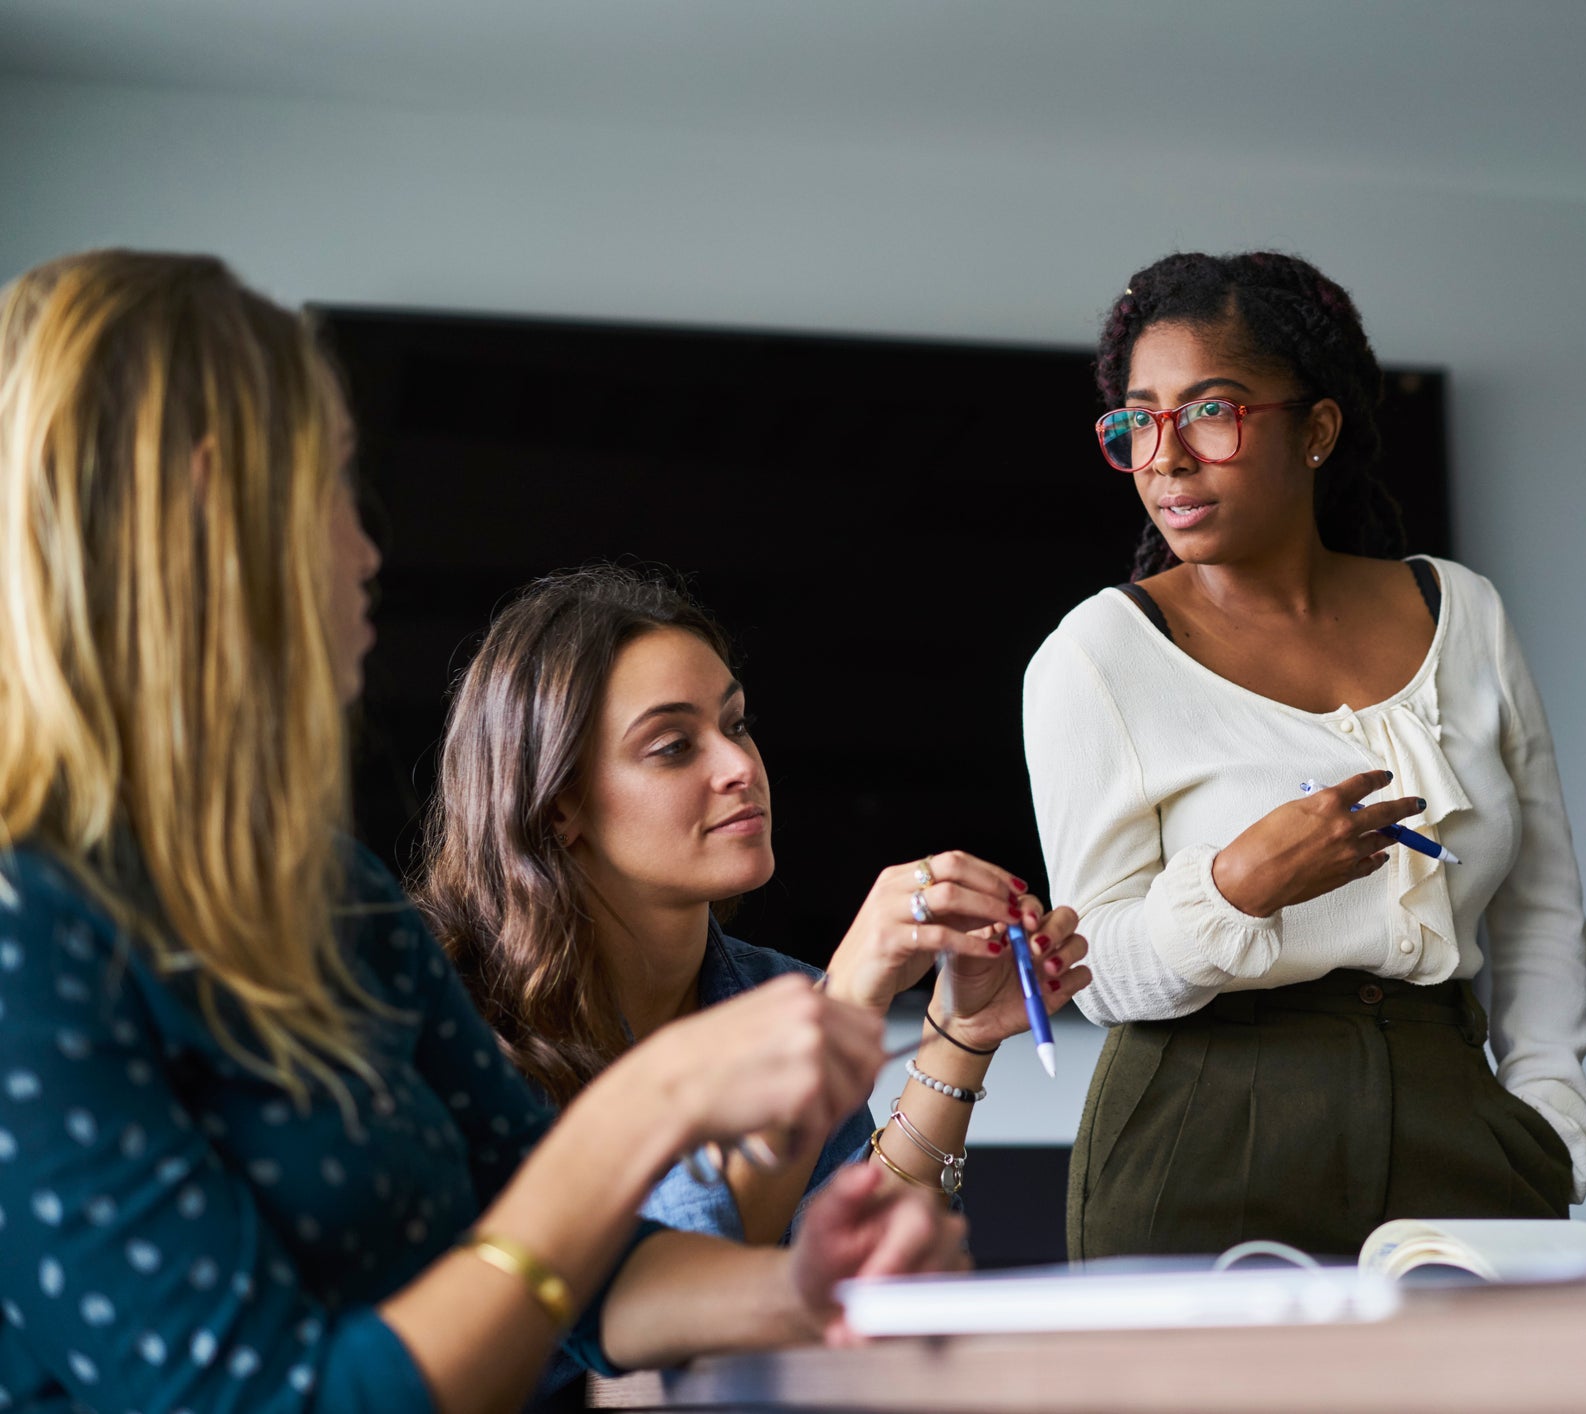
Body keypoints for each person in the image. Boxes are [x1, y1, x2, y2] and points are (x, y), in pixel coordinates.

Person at [0, 249, 960, 1414]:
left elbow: (584, 1281)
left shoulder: (334, 900)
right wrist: (648, 1105)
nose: (366, 548)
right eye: (333, 485)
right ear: (213, 505)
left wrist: (804, 1285)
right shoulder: (27, 932)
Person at [1024, 250, 1586, 1260]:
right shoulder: (1095, 657)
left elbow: (1539, 899)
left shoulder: (1461, 611)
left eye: (1209, 410)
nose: (1165, 456)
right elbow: (1094, 975)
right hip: (1201, 1134)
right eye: (1138, 420)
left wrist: (1549, 1110)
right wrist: (1235, 887)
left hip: (1456, 1120)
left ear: (1317, 429)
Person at [414, 565, 1091, 1254]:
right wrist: (845, 1007)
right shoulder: (442, 1016)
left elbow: (844, 1274)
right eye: (673, 747)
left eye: (736, 725)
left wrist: (959, 1036)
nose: (739, 766)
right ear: (560, 806)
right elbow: (658, 1301)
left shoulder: (774, 994)